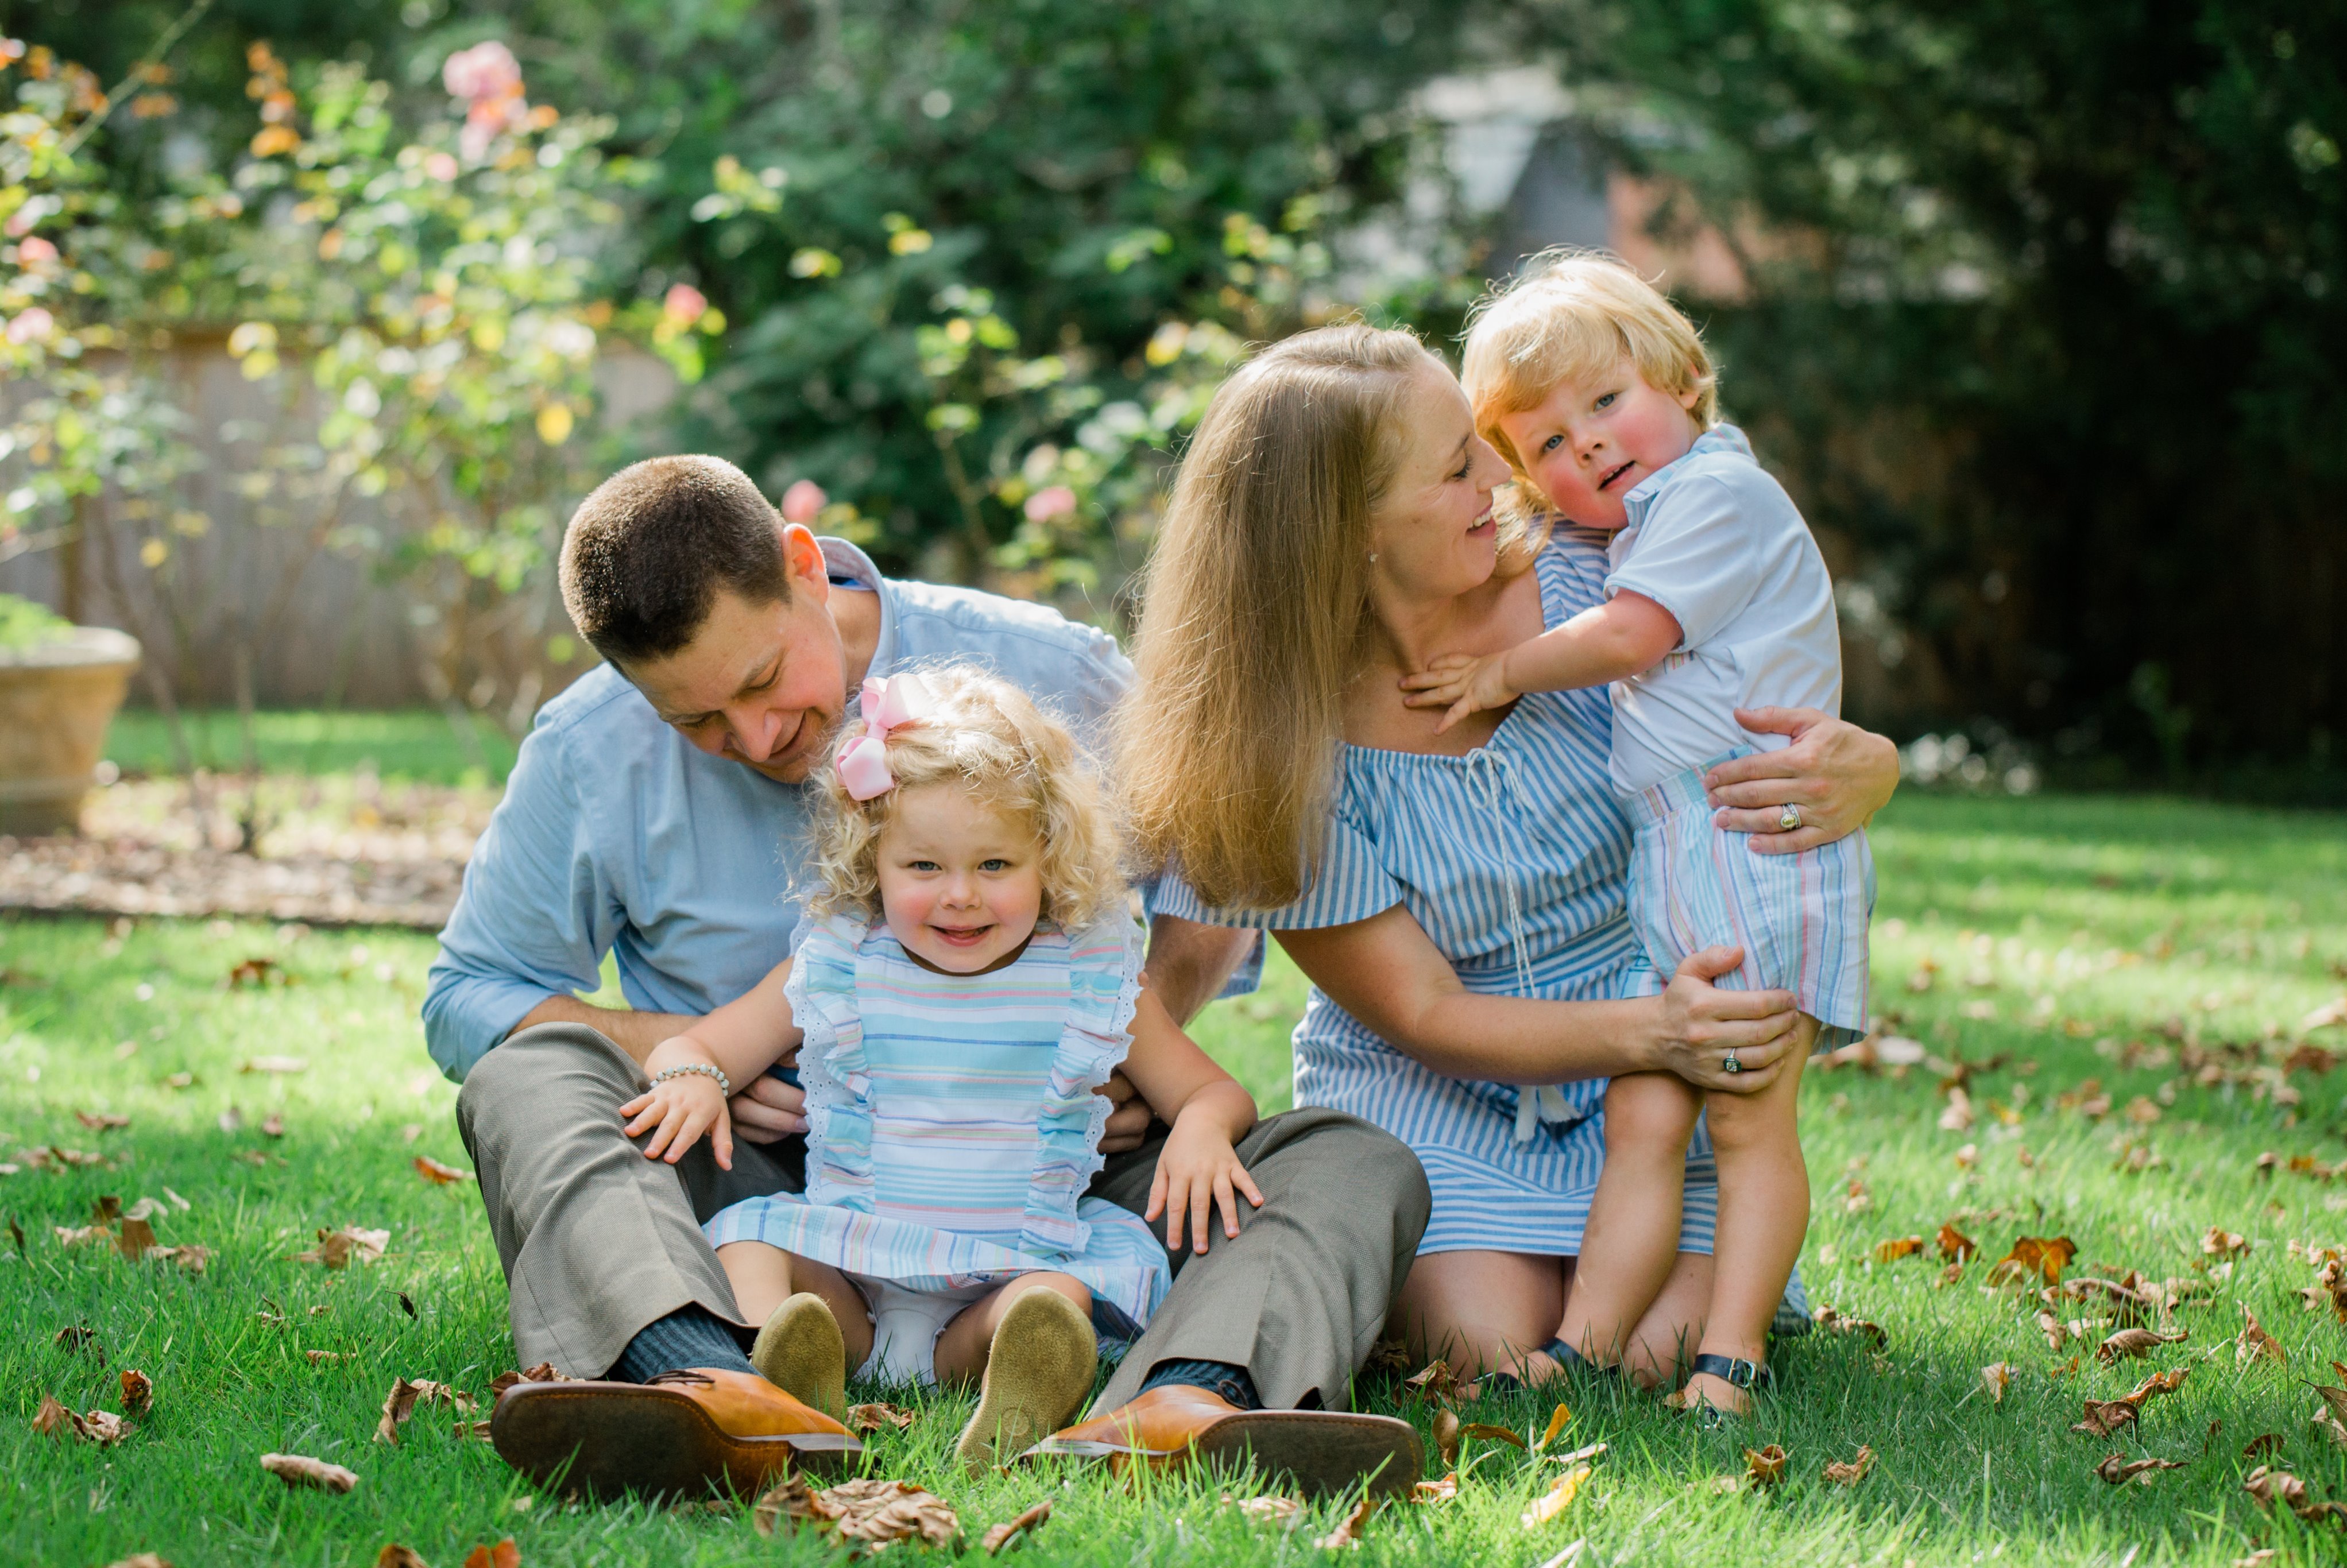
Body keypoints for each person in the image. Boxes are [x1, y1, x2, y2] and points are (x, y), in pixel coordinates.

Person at [434, 455, 1429, 1499]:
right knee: (528, 1076)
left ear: (805, 569)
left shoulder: (1053, 668)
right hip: (772, 1172)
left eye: (765, 681)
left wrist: (1107, 1061)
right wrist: (698, 1062)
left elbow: (1219, 870)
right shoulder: (589, 750)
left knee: (1351, 1161)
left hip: (1059, 1175)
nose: (758, 739)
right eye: (697, 724)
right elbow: (469, 995)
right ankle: (702, 1381)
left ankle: (1190, 1399)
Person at [1115, 322, 1899, 1397]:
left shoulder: (1603, 588)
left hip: (1651, 1060)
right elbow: (1426, 1013)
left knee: (1655, 1349)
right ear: (1350, 535)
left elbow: (1780, 656)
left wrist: (1868, 765)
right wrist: (1653, 1033)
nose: (1504, 475)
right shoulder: (1279, 747)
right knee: (1486, 1344)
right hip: (1443, 1082)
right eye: (1455, 468)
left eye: (1484, 444)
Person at [1395, 253, 1871, 1417]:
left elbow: (1628, 641)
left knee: (1749, 1117)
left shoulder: (1714, 496)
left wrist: (1496, 671)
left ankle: (1731, 1357)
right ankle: (1585, 1343)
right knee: (1644, 1107)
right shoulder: (1624, 525)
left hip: (1752, 844)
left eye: (1604, 404)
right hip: (1685, 851)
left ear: (1685, 378)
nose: (1587, 447)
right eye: (1545, 444)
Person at [616, 665, 1265, 1473]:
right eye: (924, 868)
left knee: (1050, 1301)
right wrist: (691, 1078)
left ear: (1048, 857)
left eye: (995, 866)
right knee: (753, 1246)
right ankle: (779, 1379)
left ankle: (1020, 1387)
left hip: (1011, 1263)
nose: (960, 896)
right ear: (873, 861)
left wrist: (1202, 1126)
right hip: (851, 1265)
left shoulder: (1091, 979)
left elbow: (1211, 1089)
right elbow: (699, 1046)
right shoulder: (839, 963)